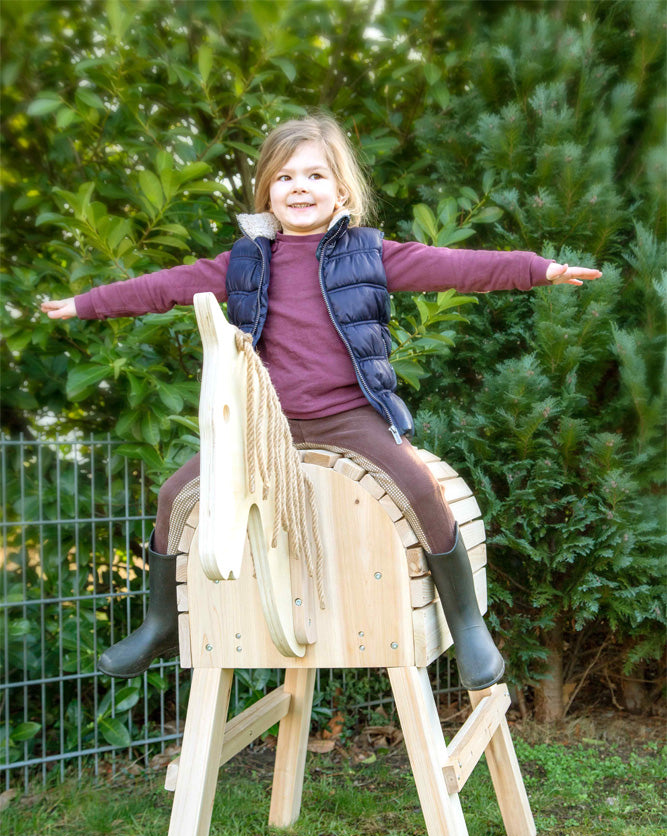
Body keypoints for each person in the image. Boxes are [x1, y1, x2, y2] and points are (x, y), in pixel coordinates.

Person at [41, 114, 602, 689]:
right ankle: (161, 622)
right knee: (173, 494)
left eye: (315, 175)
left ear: (341, 190)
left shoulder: (370, 254)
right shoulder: (244, 263)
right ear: (266, 193)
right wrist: (85, 304)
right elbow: (160, 286)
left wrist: (540, 269)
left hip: (348, 414)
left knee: (419, 488)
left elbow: (458, 266)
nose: (300, 187)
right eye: (285, 178)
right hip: (265, 426)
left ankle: (466, 623)